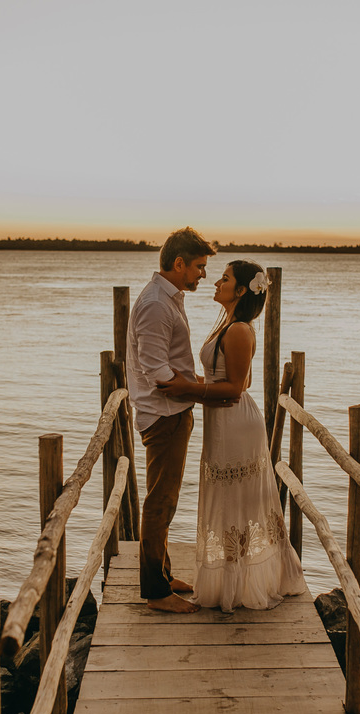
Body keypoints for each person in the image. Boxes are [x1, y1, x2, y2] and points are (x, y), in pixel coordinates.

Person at [158, 259, 304, 612]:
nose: (215, 282)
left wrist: (187, 390)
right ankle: (231, 579)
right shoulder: (227, 323)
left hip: (235, 422)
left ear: (240, 291)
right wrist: (193, 384)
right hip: (220, 421)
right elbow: (241, 378)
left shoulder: (239, 330)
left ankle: (240, 585)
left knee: (235, 499)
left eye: (224, 279)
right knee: (227, 499)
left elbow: (237, 388)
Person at [126, 227, 217, 613]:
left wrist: (198, 384)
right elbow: (157, 374)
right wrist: (207, 391)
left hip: (173, 413)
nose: (203, 275)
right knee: (160, 502)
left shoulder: (168, 299)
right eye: (198, 267)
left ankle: (161, 574)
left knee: (165, 499)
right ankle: (157, 593)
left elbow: (169, 367)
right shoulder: (156, 305)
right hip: (163, 416)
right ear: (178, 263)